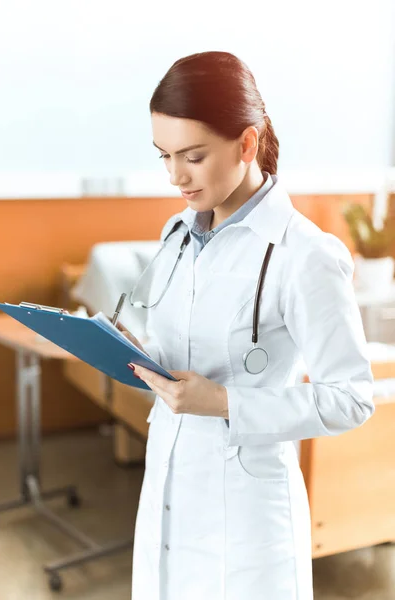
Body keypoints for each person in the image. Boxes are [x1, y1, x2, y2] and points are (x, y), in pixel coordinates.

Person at [121, 51, 374, 600]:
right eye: (164, 156)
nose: (174, 176)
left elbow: (352, 398)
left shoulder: (305, 253)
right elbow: (178, 346)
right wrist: (129, 352)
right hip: (168, 483)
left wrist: (226, 402)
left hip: (248, 516)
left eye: (192, 156)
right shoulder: (177, 233)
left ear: (247, 143)